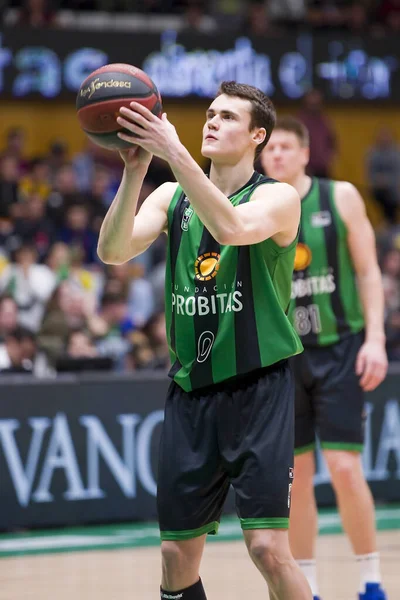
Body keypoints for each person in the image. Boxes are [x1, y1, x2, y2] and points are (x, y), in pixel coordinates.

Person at [97, 82, 312, 600]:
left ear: (258, 135)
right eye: (210, 114)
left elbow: (234, 227)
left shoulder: (276, 197)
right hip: (191, 394)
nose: (211, 122)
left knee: (267, 549)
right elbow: (112, 250)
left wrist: (174, 151)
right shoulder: (171, 197)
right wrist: (134, 172)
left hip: (258, 390)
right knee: (174, 556)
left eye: (228, 118)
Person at [261, 116, 389, 600]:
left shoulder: (340, 197)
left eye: (286, 147)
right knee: (297, 481)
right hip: (282, 357)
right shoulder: (255, 205)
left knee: (345, 468)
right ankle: (308, 587)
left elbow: (368, 272)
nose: (276, 155)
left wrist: (375, 339)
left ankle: (370, 580)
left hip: (339, 348)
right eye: (269, 149)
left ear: (305, 152)